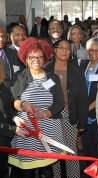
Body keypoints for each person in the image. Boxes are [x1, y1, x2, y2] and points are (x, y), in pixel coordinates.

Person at [9, 37, 64, 178]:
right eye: (32, 57)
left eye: (40, 57)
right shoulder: (19, 77)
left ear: (44, 58)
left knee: (47, 172)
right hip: (27, 133)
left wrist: (46, 113)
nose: (36, 60)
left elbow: (59, 102)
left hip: (49, 131)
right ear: (25, 59)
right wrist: (22, 105)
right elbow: (12, 102)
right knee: (27, 172)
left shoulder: (52, 78)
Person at [44, 39, 88, 178]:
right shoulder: (46, 69)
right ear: (55, 50)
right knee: (54, 151)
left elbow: (83, 97)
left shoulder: (76, 69)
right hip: (51, 115)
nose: (64, 51)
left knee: (70, 151)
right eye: (61, 48)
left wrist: (82, 121)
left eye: (67, 48)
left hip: (71, 114)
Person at [0, 60, 26, 178]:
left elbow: (9, 108)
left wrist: (15, 118)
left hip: (4, 141)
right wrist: (13, 129)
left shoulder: (2, 87)